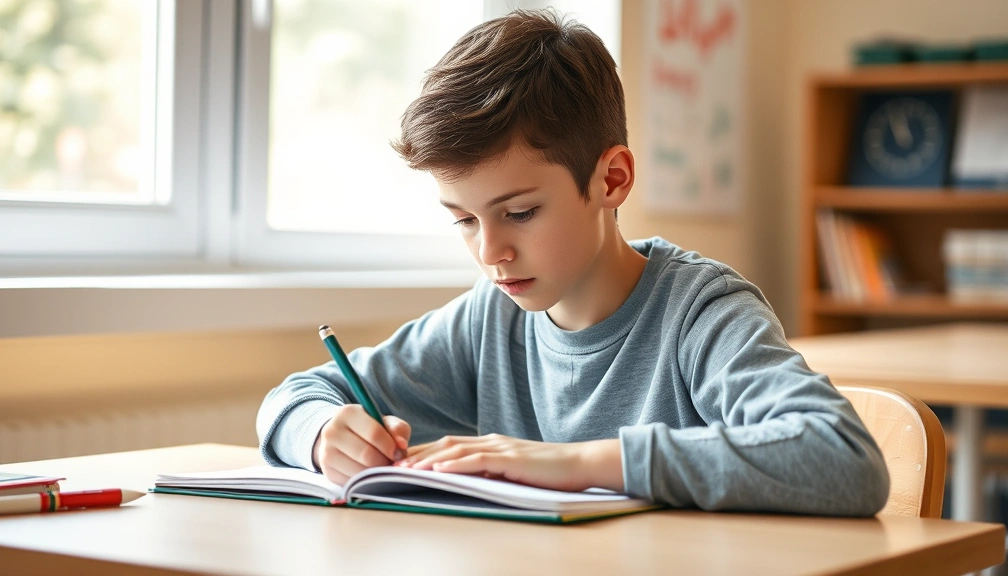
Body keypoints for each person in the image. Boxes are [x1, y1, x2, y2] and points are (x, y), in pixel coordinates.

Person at [256, 9, 889, 515]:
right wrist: (319, 435)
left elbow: (843, 458)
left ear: (611, 179)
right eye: (464, 220)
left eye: (521, 212)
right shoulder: (489, 323)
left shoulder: (701, 314)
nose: (489, 253)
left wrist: (581, 463)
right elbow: (296, 395)